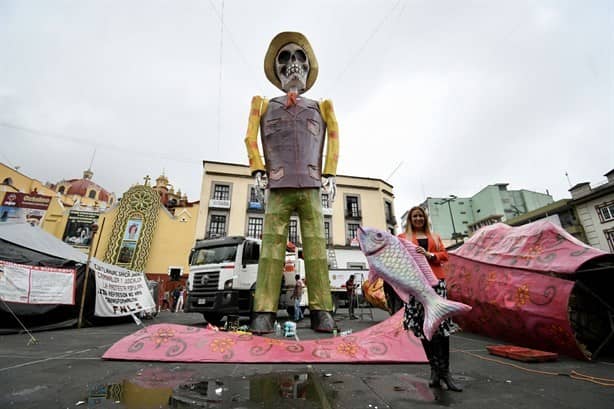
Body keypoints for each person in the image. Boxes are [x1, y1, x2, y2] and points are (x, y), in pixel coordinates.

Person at [245, 32, 340, 334]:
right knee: (271, 247)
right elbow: (250, 138)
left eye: (299, 57)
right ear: (276, 69)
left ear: (309, 67)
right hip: (277, 184)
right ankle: (264, 311)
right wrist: (257, 168)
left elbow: (335, 139)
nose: (293, 64)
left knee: (316, 248)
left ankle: (322, 310)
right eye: (285, 58)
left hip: (311, 184)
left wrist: (330, 173)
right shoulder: (262, 104)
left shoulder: (322, 106)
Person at [384, 206, 463, 392]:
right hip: (415, 285)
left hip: (436, 284)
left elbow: (444, 256)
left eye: (420, 215)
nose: (418, 218)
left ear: (424, 218)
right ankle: (434, 370)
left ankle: (446, 372)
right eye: (415, 216)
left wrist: (430, 255)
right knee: (422, 327)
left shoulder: (434, 237)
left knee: (441, 327)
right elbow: (396, 258)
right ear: (410, 219)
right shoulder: (402, 238)